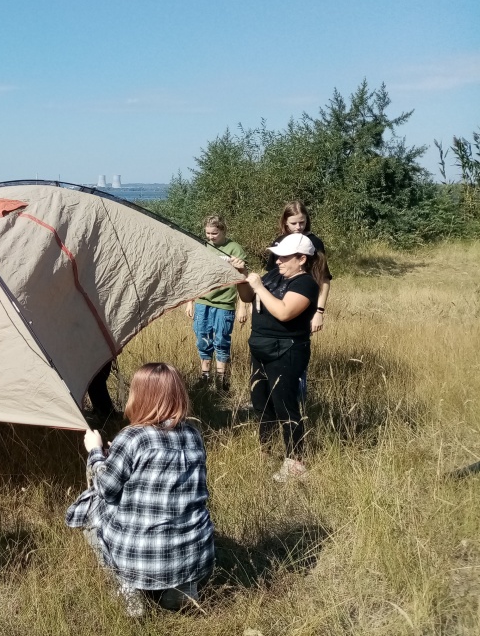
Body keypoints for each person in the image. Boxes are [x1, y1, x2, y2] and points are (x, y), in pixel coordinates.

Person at [65, 363, 214, 617]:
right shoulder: (194, 435)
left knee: (89, 507)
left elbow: (106, 489)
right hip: (195, 556)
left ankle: (127, 588)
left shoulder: (132, 437)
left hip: (139, 556)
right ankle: (181, 588)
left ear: (140, 395)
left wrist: (96, 453)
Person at [236, 233, 328, 482]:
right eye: (277, 256)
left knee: (285, 404)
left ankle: (295, 462)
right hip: (260, 347)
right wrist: (243, 276)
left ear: (301, 259)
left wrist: (259, 287)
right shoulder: (275, 275)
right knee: (261, 403)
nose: (277, 261)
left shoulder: (306, 284)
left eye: (284, 257)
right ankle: (265, 452)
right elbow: (247, 297)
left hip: (287, 350)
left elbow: (284, 312)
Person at [184, 215, 248, 389]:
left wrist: (243, 306)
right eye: (207, 233)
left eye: (214, 233)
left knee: (221, 340)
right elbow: (194, 276)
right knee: (203, 338)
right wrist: (190, 302)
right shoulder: (203, 247)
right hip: (203, 301)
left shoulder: (234, 248)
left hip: (224, 302)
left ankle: (221, 379)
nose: (210, 237)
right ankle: (205, 376)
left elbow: (243, 278)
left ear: (223, 230)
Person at [264, 201, 332, 334]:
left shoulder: (314, 243)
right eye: (293, 223)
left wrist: (319, 311)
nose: (298, 227)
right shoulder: (279, 242)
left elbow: (323, 279)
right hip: (276, 303)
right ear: (285, 222)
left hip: (302, 301)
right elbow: (269, 278)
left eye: (302, 222)